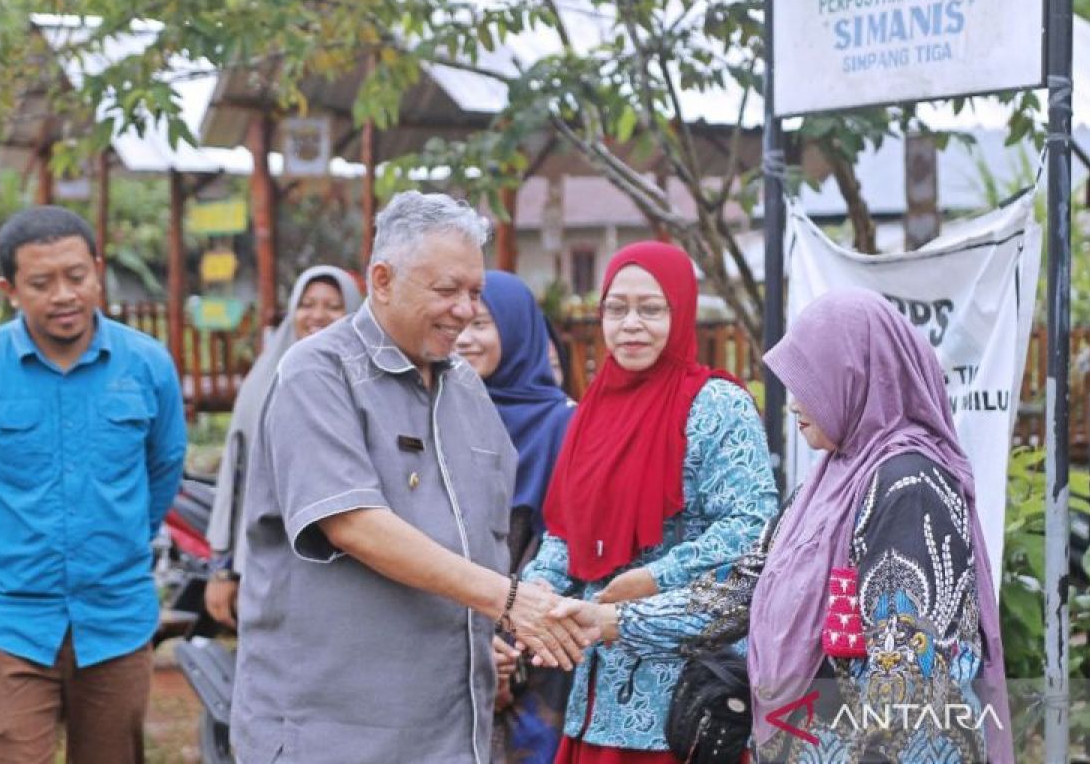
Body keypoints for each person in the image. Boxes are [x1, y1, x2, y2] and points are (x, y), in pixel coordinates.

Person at [231, 191, 599, 764]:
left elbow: (486, 539)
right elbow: (355, 524)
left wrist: (504, 626)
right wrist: (506, 599)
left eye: (474, 293)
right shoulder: (318, 373)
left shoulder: (468, 391)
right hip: (335, 733)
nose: (465, 310)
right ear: (382, 280)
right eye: (446, 290)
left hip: (452, 728)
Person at [0, 205, 187, 764]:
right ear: (10, 289)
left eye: (76, 277)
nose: (63, 295)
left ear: (96, 269)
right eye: (41, 283)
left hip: (115, 618)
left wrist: (117, 545)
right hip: (9, 621)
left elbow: (163, 469)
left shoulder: (147, 366)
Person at [522, 241, 777, 762]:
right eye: (617, 309)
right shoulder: (592, 410)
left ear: (679, 312)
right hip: (597, 695)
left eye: (651, 309)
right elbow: (567, 529)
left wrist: (655, 577)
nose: (631, 324)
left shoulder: (716, 405)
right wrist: (537, 591)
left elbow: (750, 529)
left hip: (688, 702)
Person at [747, 288, 1012, 762]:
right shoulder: (834, 477)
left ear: (858, 378)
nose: (792, 404)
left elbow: (904, 682)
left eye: (811, 383)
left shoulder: (908, 485)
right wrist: (614, 620)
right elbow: (747, 581)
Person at [456, 270, 577, 764]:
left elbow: (566, 546)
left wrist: (508, 653)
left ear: (519, 330)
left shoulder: (563, 425)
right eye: (457, 322)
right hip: (447, 643)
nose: (464, 338)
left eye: (481, 324)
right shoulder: (435, 414)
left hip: (537, 652)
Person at [203, 265, 362, 627]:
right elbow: (236, 473)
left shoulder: (367, 380)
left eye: (333, 306)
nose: (317, 315)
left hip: (344, 565)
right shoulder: (264, 377)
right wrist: (222, 568)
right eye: (306, 304)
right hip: (266, 559)